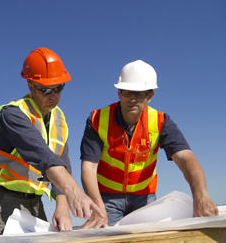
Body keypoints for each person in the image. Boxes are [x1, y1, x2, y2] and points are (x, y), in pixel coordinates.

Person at [80, 60, 219, 229]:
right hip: (106, 198)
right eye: (127, 92)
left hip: (144, 198)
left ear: (150, 96)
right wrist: (97, 206)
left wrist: (201, 195)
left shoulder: (161, 122)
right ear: (119, 93)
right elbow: (88, 167)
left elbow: (186, 158)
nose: (132, 99)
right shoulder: (96, 120)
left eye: (139, 94)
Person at [0, 47, 103, 238]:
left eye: (58, 88)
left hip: (34, 200)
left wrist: (62, 205)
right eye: (45, 89)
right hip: (3, 197)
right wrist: (74, 191)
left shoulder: (59, 119)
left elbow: (62, 163)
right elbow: (44, 157)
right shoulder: (13, 114)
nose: (53, 95)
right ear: (30, 86)